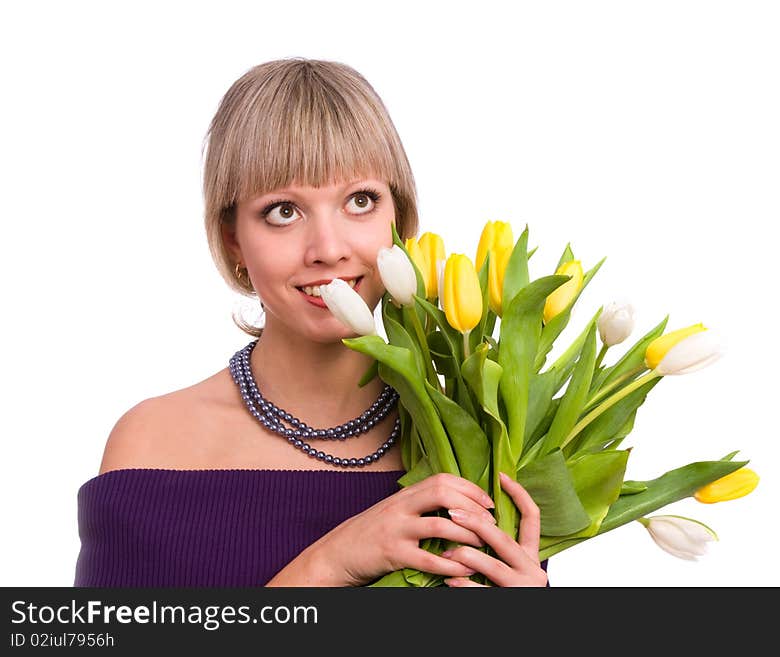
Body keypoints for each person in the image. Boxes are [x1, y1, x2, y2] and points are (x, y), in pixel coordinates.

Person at [74, 57, 548, 588]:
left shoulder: (484, 436)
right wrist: (331, 563)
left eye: (360, 201)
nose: (328, 250)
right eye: (283, 211)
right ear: (233, 238)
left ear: (400, 221)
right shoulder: (155, 445)